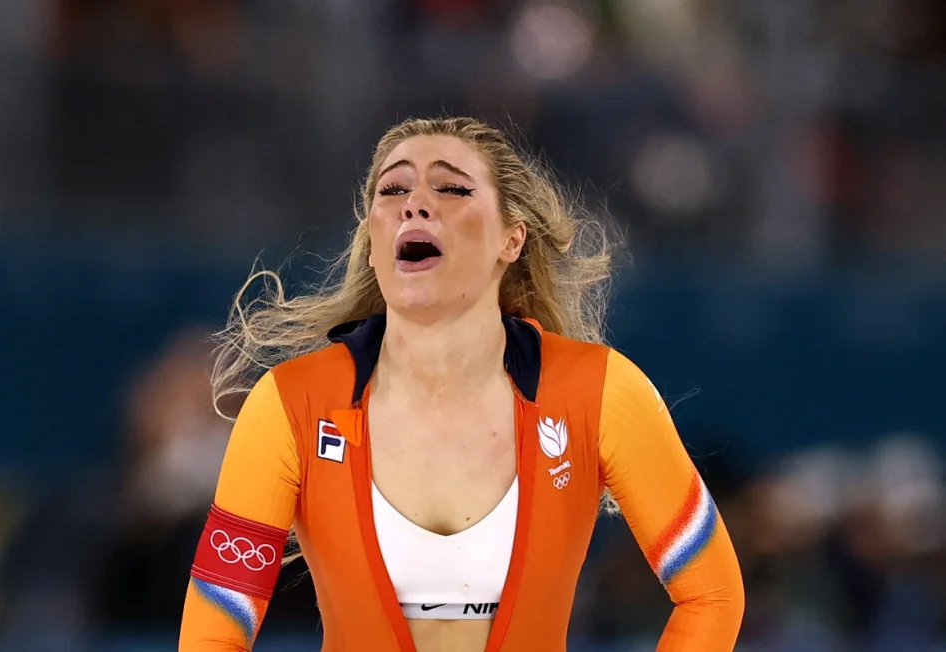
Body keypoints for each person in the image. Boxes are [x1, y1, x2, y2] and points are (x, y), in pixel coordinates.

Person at [178, 117, 744, 651]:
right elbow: (213, 630)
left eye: (451, 189)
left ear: (511, 240)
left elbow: (712, 595)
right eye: (392, 190)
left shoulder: (601, 392)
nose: (415, 204)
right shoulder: (289, 404)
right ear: (373, 244)